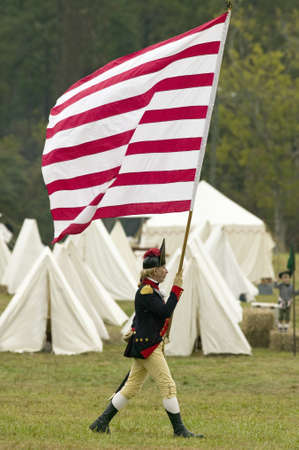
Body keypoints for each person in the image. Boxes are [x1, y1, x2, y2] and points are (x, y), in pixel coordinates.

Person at [89, 239, 204, 439]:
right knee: (168, 386)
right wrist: (177, 290)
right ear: (153, 271)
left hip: (149, 343)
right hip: (149, 347)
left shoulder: (151, 289)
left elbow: (146, 317)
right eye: (162, 267)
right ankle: (179, 430)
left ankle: (101, 422)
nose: (166, 271)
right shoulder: (147, 290)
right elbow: (165, 311)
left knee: (131, 387)